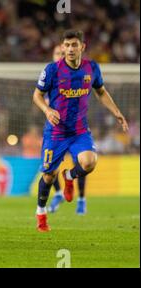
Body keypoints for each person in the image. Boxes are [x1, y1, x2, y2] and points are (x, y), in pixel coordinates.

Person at [32, 30, 128, 232]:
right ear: (63, 47)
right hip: (56, 133)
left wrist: (117, 112)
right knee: (48, 175)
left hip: (79, 131)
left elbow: (101, 91)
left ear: (82, 47)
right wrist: (47, 110)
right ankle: (41, 212)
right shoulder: (52, 70)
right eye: (66, 45)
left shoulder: (91, 68)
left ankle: (69, 177)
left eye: (74, 45)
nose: (70, 49)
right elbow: (37, 96)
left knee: (89, 162)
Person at [48, 45, 88, 214]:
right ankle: (58, 193)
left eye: (62, 54)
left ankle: (81, 199)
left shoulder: (75, 73)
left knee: (81, 163)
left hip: (75, 128)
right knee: (50, 166)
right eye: (57, 53)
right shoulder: (49, 74)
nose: (60, 56)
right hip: (56, 128)